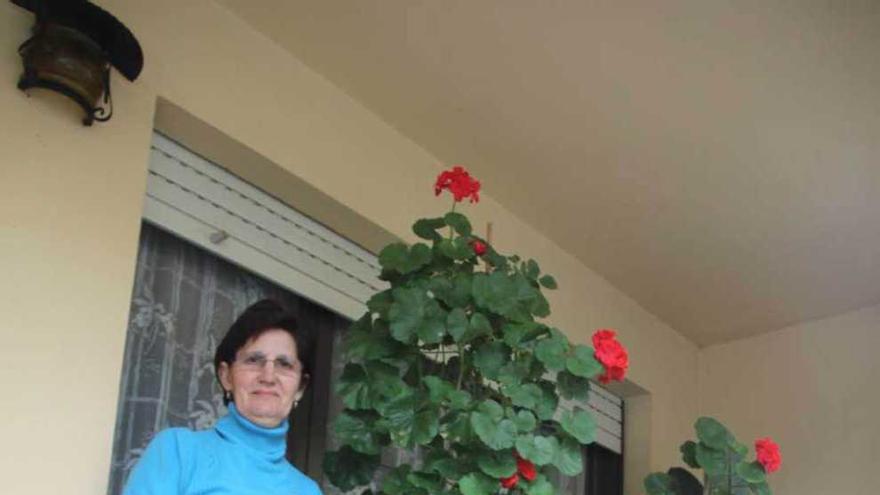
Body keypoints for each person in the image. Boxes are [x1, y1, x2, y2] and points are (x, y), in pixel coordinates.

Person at [123, 299, 323, 494]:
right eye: (254, 360)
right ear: (226, 376)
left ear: (300, 387)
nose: (268, 376)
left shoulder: (308, 490)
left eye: (284, 364)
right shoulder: (178, 452)